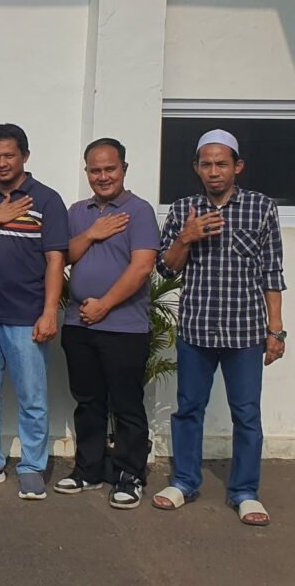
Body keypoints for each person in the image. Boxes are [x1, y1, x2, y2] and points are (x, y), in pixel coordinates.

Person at [152, 129, 286, 526]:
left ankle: (245, 492)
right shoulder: (183, 209)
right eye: (206, 164)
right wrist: (186, 238)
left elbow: (272, 272)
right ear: (196, 167)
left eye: (221, 164)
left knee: (246, 414)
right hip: (196, 329)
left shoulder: (260, 207)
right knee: (189, 408)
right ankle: (184, 482)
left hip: (245, 332)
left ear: (237, 166)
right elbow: (166, 269)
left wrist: (276, 331)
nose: (214, 171)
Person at [0, 124, 67, 500]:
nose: (2, 163)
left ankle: (32, 466)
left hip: (27, 316)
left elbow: (56, 260)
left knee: (32, 396)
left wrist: (49, 312)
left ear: (25, 156)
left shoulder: (47, 200)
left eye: (9, 155)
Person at [56, 138, 159, 509]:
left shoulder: (139, 211)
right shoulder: (77, 211)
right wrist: (91, 233)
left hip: (124, 327)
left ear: (124, 169)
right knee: (88, 402)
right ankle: (89, 469)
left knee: (126, 404)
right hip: (79, 325)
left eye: (110, 169)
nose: (102, 176)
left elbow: (142, 266)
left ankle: (129, 474)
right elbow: (62, 256)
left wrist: (105, 305)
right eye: (95, 170)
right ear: (87, 172)